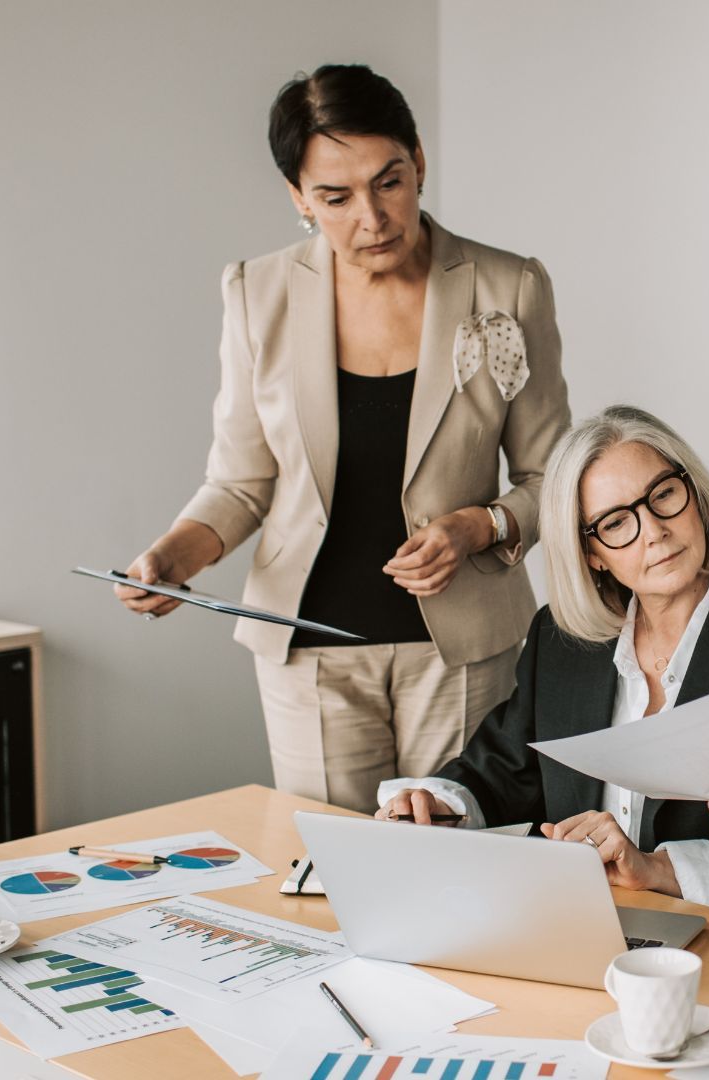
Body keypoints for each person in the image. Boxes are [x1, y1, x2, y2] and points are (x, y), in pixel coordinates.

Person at [116, 64, 569, 812]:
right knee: (332, 881)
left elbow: (551, 475)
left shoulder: (507, 286)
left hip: (461, 648)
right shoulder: (255, 292)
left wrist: (475, 526)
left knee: (460, 865)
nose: (372, 216)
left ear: (418, 161)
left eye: (388, 182)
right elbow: (240, 482)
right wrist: (171, 555)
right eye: (335, 196)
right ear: (298, 197)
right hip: (305, 648)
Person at [376, 406, 709, 933]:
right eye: (616, 523)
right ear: (591, 553)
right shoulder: (562, 640)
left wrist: (659, 870)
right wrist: (436, 805)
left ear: (695, 496)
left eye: (663, 496)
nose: (654, 531)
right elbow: (503, 770)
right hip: (572, 924)